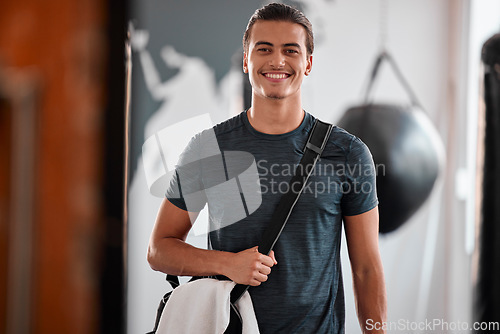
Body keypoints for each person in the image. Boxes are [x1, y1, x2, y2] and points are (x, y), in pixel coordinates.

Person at [148, 3, 387, 333]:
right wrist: (227, 264)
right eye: (264, 49)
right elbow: (159, 249)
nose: (277, 61)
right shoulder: (208, 148)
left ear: (308, 64)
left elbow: (366, 268)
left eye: (291, 50)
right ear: (246, 60)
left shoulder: (347, 153)